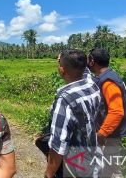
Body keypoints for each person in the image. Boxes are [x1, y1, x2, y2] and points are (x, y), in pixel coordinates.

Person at [44, 50, 102, 178]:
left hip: (74, 162)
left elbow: (58, 144)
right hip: (93, 153)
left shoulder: (65, 100)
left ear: (61, 70)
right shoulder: (93, 85)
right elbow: (83, 70)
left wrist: (49, 174)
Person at [87, 48, 126, 177]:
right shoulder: (108, 75)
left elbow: (116, 112)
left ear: (92, 61)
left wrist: (102, 133)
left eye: (88, 59)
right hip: (110, 132)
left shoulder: (108, 82)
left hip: (110, 135)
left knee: (110, 168)